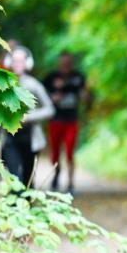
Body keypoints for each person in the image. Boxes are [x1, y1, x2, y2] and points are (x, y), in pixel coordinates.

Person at [0, 46, 54, 188]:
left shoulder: (34, 85)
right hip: (9, 137)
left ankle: (27, 206)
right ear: (9, 62)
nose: (18, 64)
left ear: (28, 63)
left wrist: (29, 117)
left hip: (30, 139)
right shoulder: (3, 83)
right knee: (13, 177)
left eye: (21, 61)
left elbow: (50, 109)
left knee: (29, 179)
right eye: (15, 61)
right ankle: (14, 206)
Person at [43, 52, 89, 194]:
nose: (66, 66)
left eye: (68, 63)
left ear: (72, 63)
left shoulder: (78, 77)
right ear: (59, 63)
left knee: (70, 152)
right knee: (55, 153)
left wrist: (85, 96)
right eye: (63, 63)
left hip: (71, 121)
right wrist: (52, 98)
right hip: (55, 120)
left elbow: (87, 96)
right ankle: (56, 176)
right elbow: (40, 96)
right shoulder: (51, 78)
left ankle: (70, 183)